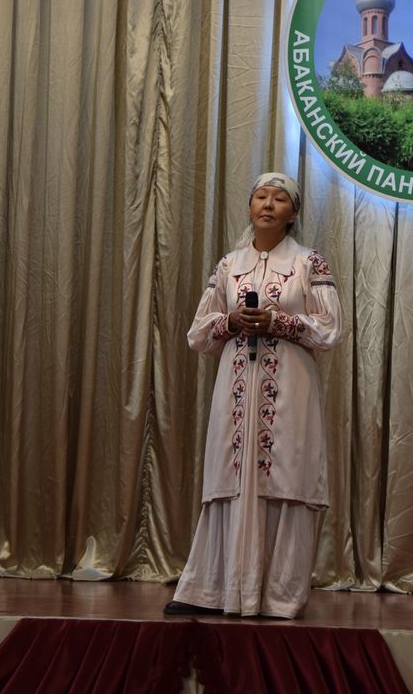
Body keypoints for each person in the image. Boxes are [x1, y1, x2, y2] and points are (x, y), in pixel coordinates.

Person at [164, 172, 343, 619]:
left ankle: (278, 596)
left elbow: (330, 328)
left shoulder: (309, 263)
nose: (268, 204)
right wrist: (231, 322)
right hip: (237, 384)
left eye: (279, 199)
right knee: (230, 478)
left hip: (291, 387)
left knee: (286, 477)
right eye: (260, 197)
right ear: (249, 208)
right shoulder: (230, 265)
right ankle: (211, 589)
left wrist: (279, 322)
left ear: (292, 213)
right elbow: (197, 333)